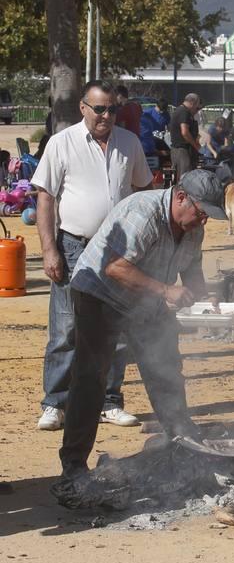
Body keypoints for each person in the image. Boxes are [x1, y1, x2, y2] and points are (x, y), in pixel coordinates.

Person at [55, 170, 228, 485]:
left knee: (165, 366)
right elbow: (115, 267)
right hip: (99, 292)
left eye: (207, 216)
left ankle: (182, 441)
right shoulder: (143, 213)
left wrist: (205, 295)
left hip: (144, 299)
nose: (202, 221)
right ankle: (74, 464)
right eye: (201, 212)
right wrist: (165, 290)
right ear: (180, 197)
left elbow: (192, 267)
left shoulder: (193, 229)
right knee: (92, 376)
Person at [31, 80, 153, 432]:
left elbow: (143, 191)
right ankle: (55, 402)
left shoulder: (129, 143)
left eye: (112, 109)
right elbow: (45, 199)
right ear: (83, 108)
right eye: (99, 109)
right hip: (74, 246)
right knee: (67, 327)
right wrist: (49, 249)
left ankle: (110, 402)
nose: (106, 116)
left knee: (115, 328)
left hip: (119, 249)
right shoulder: (61, 143)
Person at [170, 93, 201, 179]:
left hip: (180, 151)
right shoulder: (184, 112)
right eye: (197, 106)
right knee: (185, 179)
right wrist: (195, 145)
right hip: (182, 151)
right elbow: (185, 132)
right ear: (192, 103)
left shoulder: (181, 111)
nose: (196, 108)